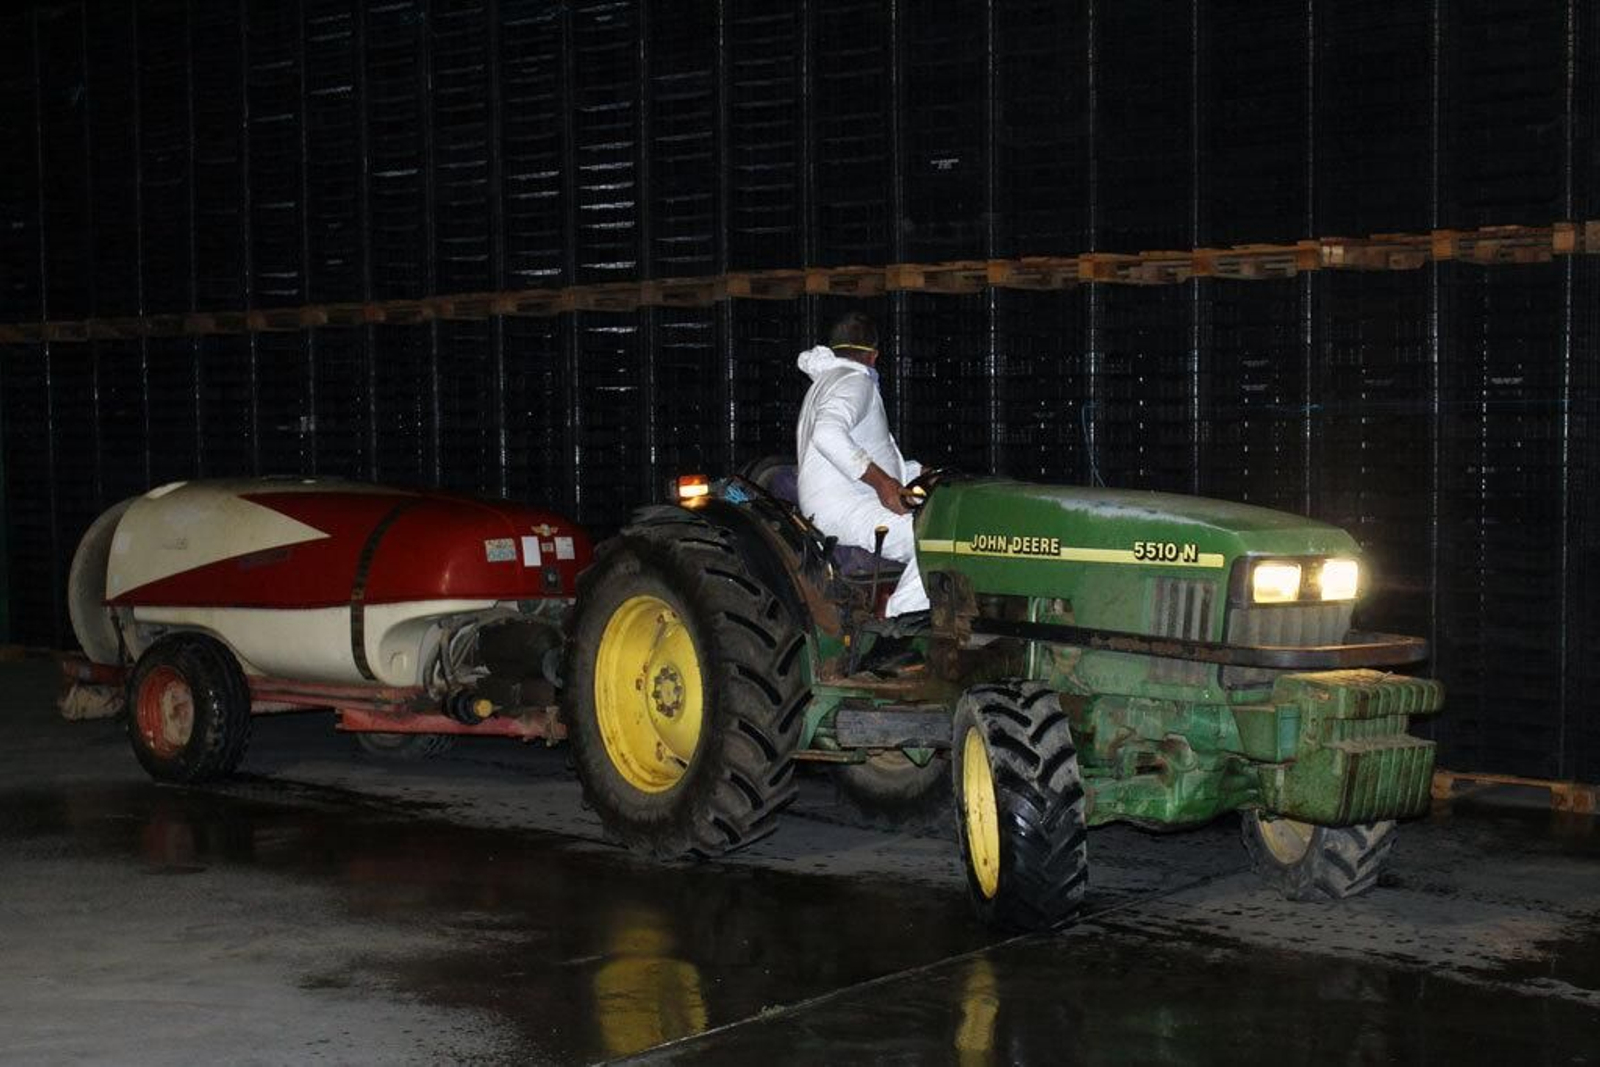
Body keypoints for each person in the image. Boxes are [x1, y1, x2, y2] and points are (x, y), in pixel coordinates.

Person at [795, 312, 928, 618]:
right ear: (873, 355)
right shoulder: (855, 382)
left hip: (841, 502)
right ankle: (896, 626)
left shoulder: (830, 381)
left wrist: (917, 472)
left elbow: (866, 452)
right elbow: (827, 434)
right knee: (938, 540)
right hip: (846, 508)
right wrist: (883, 484)